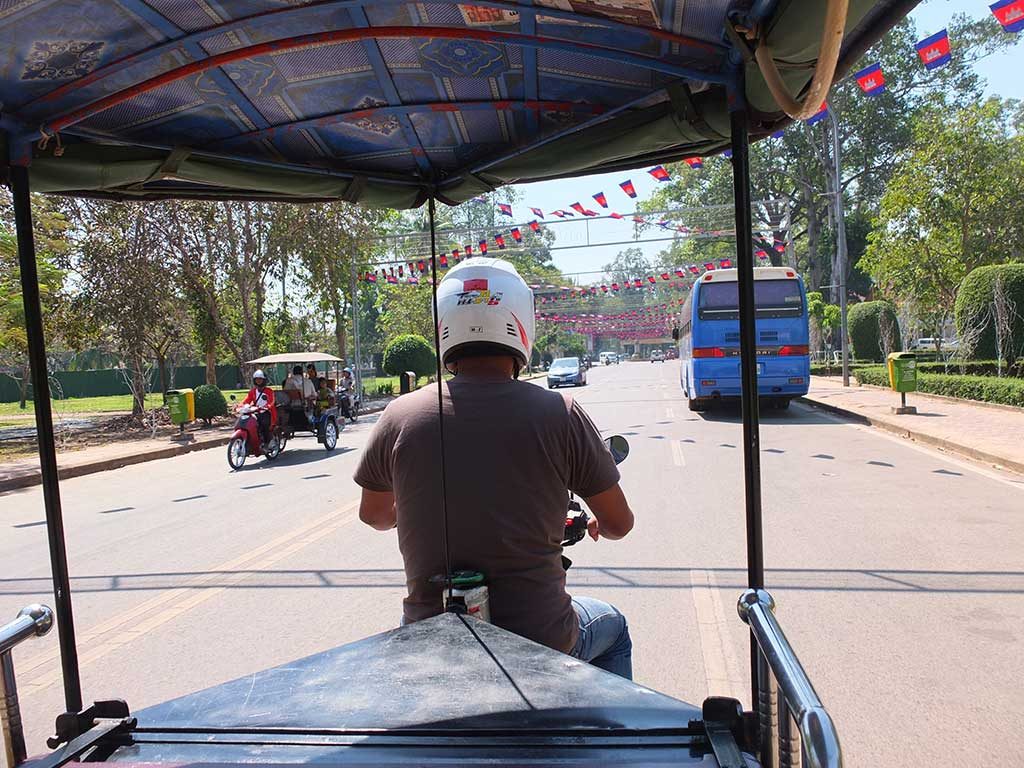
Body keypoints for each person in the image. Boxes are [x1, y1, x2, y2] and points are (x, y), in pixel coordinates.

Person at [354, 257, 635, 679]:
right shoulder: (560, 411)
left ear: (443, 325)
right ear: (521, 323)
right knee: (613, 626)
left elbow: (374, 514)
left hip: (430, 638)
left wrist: (416, 510)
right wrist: (594, 523)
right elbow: (619, 523)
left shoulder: (399, 414)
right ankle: (607, 739)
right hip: (541, 639)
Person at [240, 369, 276, 449]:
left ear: (264, 380)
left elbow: (271, 401)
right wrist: (240, 406)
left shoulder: (269, 391)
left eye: (260, 379)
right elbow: (247, 400)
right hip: (255, 412)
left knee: (264, 425)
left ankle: (267, 442)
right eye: (257, 379)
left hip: (266, 412)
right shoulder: (252, 391)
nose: (258, 381)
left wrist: (267, 406)